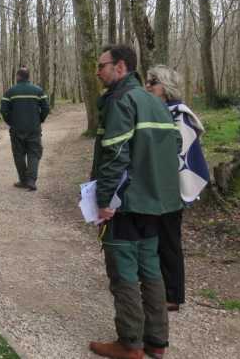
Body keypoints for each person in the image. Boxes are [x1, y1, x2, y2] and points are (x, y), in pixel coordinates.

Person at [89, 45, 183, 359]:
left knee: (124, 272)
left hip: (126, 203)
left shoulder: (121, 100)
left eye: (102, 65)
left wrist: (103, 200)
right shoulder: (155, 102)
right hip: (156, 203)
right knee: (151, 269)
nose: (98, 71)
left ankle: (130, 344)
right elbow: (173, 148)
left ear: (121, 67)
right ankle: (157, 341)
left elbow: (115, 154)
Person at [146, 65, 209, 312]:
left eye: (154, 82)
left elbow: (181, 157)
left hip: (171, 189)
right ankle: (157, 287)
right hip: (156, 187)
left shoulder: (178, 115)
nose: (148, 86)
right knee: (155, 238)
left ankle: (173, 295)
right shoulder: (159, 112)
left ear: (166, 88)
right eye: (149, 81)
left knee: (169, 240)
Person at [0, 66, 50, 191]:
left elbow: (3, 110)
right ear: (28, 77)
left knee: (19, 154)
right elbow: (46, 108)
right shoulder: (38, 91)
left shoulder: (10, 92)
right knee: (34, 153)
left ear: (18, 77)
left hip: (17, 129)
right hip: (34, 128)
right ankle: (31, 180)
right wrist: (39, 119)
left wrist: (11, 122)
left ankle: (23, 180)